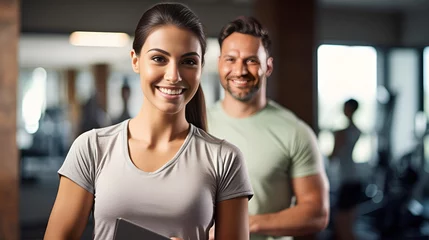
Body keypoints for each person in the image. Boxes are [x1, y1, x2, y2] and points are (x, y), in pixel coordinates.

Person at [44, 3, 253, 240]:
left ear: (201, 67)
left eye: (189, 61)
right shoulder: (92, 148)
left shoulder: (224, 159)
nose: (173, 75)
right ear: (135, 60)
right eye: (159, 59)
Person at [207, 16, 329, 240]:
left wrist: (246, 223)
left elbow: (317, 212)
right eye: (231, 59)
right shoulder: (196, 125)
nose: (240, 70)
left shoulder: (295, 131)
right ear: (219, 64)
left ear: (268, 66)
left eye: (251, 60)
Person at [329, 99, 362, 240]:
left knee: (342, 224)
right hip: (353, 177)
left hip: (347, 179)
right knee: (348, 222)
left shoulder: (342, 132)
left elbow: (333, 155)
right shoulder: (356, 130)